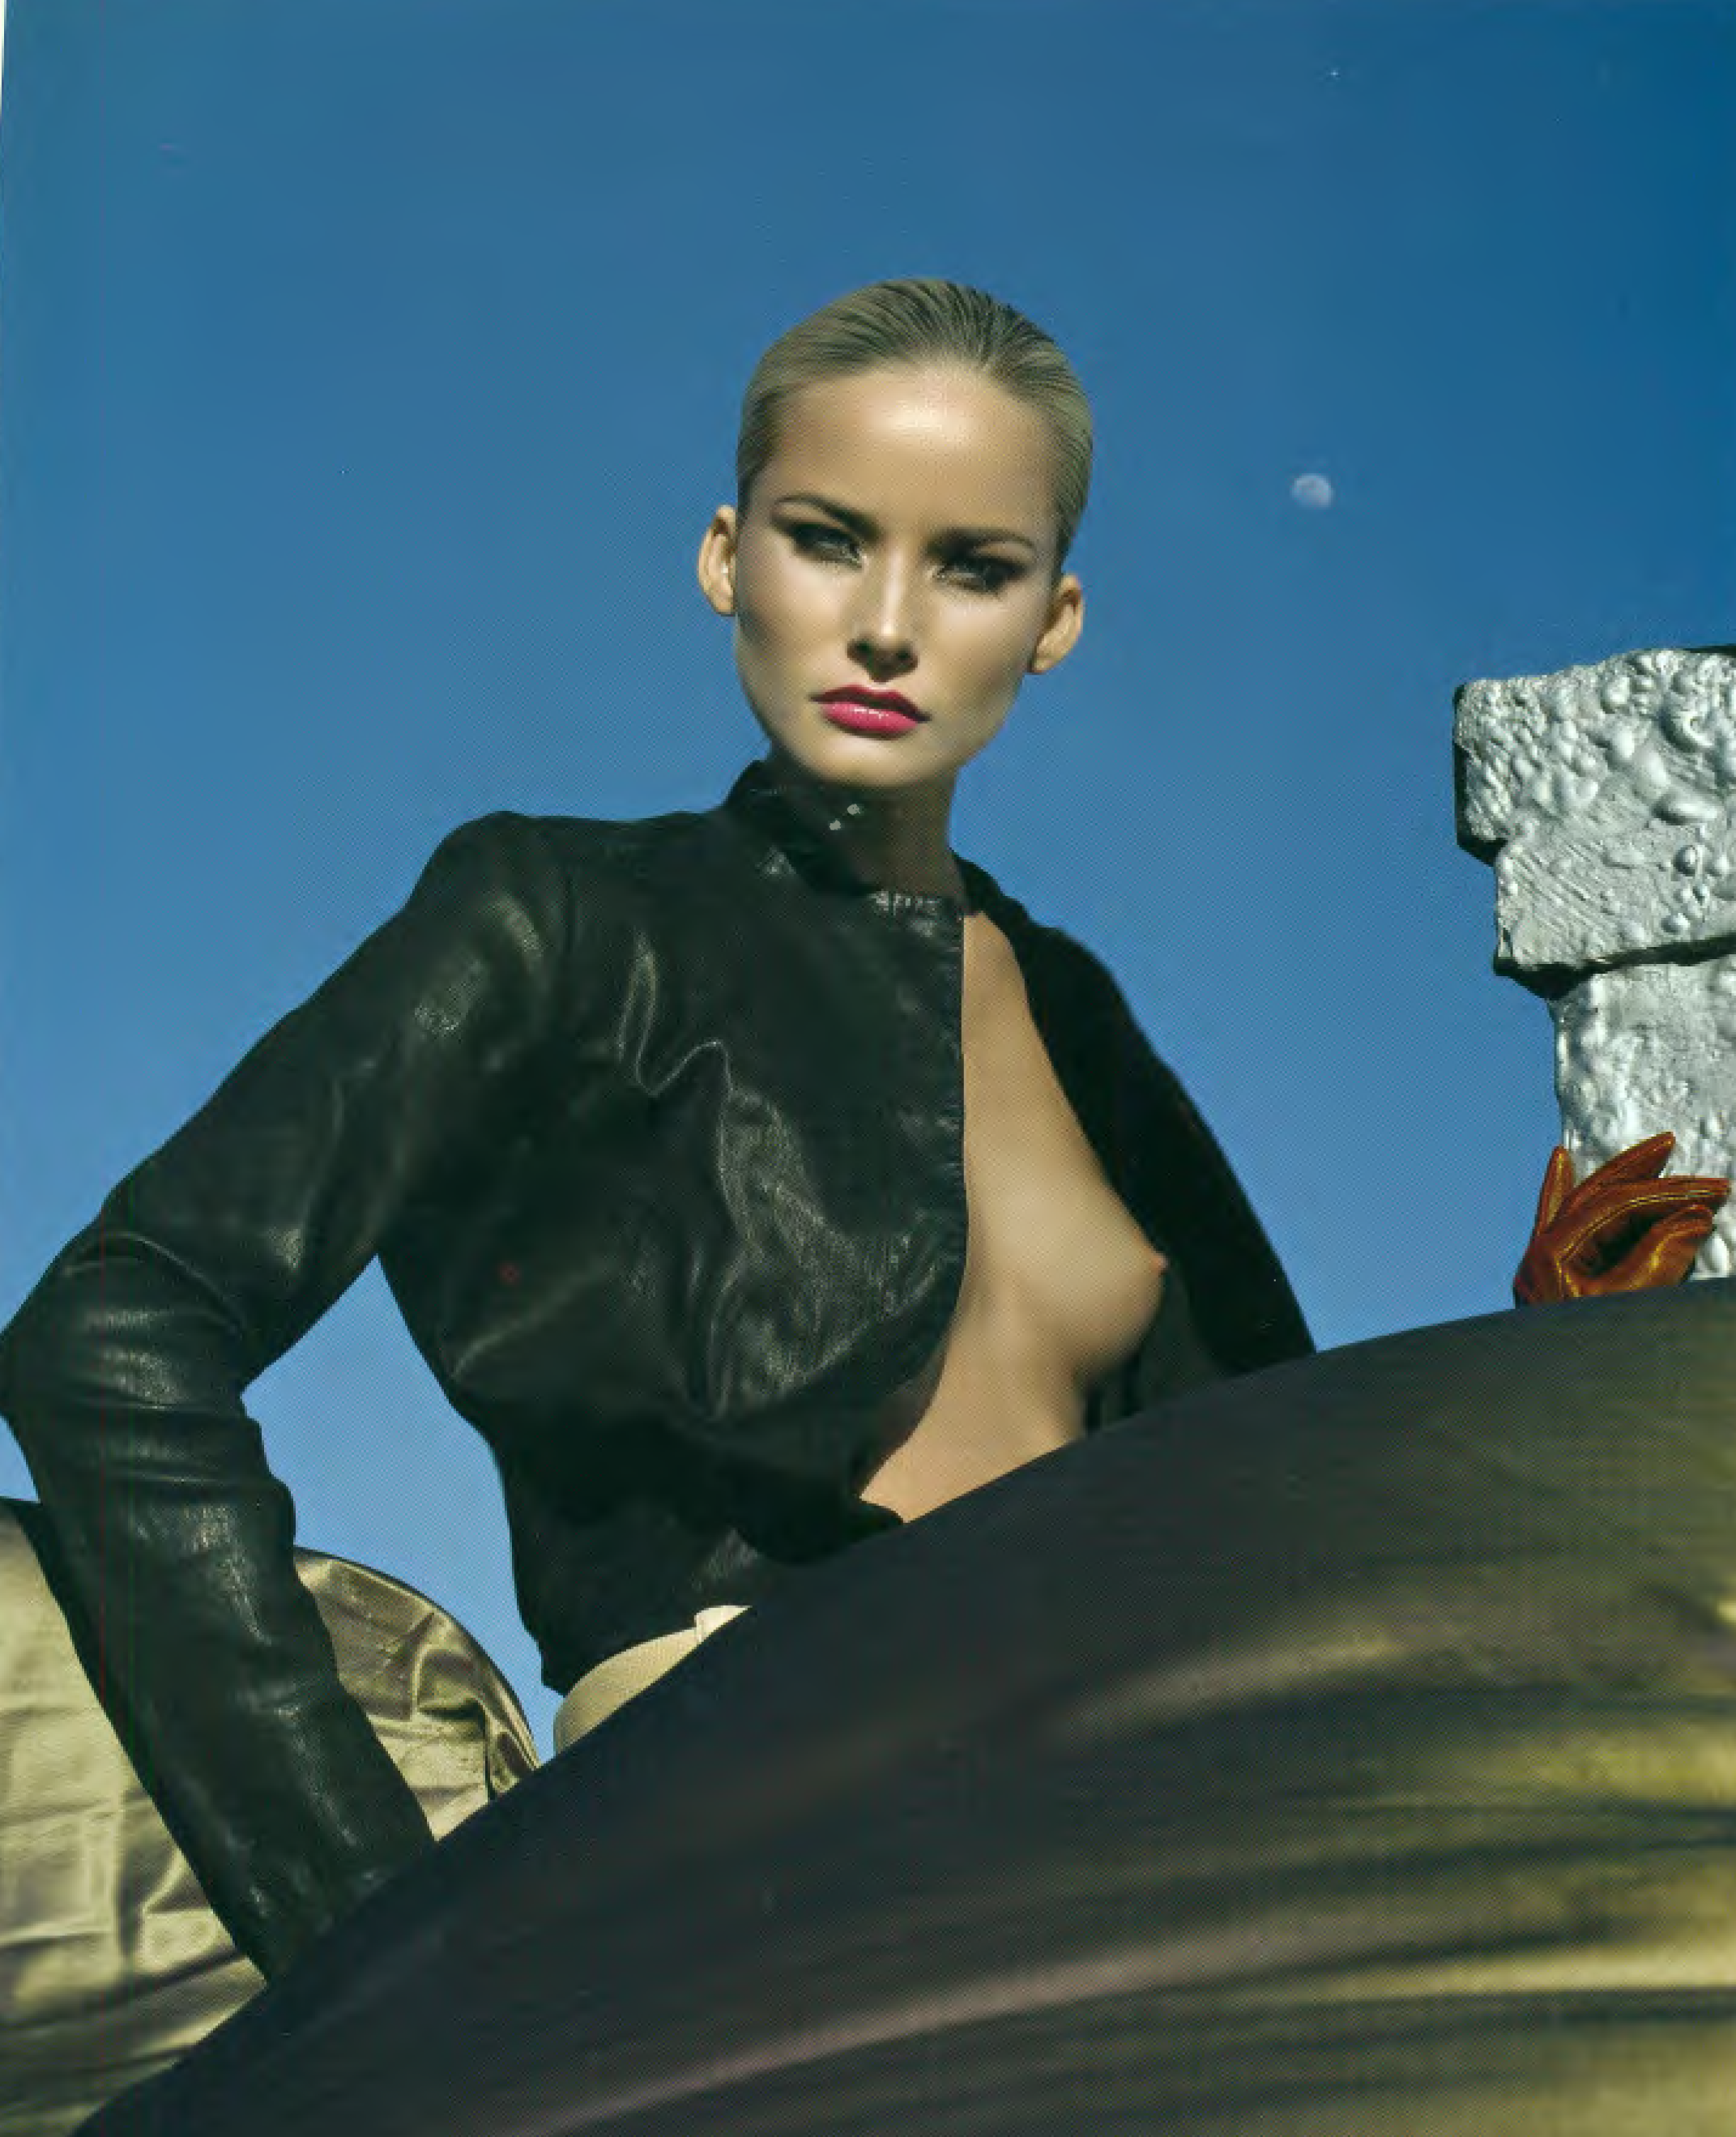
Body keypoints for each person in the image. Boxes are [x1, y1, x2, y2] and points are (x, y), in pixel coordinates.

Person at [0, 278, 1723, 1994]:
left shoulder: (1073, 1011)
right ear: (724, 557)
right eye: (828, 540)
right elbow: (115, 1328)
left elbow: (1268, 1511)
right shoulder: (559, 917)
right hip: (758, 1841)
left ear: (1051, 620)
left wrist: (1541, 1352)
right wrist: (369, 1943)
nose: (887, 626)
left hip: (1155, 1823)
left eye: (971, 567)